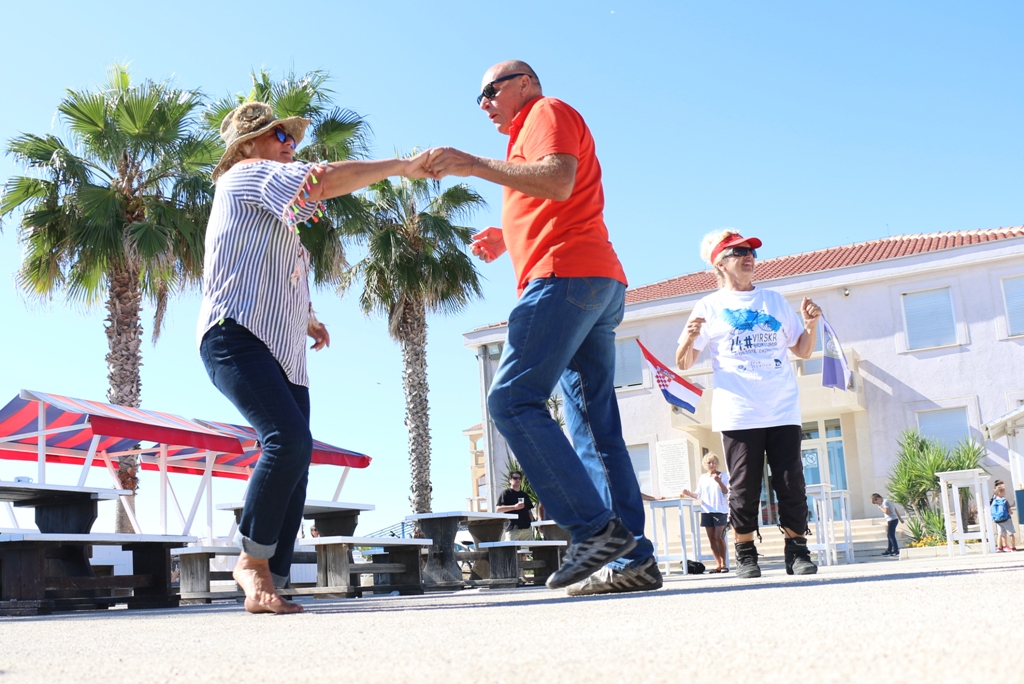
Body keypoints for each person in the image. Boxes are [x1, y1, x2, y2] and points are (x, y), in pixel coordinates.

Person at [426, 60, 660, 596]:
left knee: (510, 400)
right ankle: (634, 561)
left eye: (490, 91)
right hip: (594, 281)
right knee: (595, 430)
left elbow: (557, 178)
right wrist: (505, 235)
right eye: (478, 98)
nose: (484, 104)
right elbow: (557, 198)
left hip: (564, 278)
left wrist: (470, 164)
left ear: (524, 83)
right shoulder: (525, 135)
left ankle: (592, 529)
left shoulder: (545, 111)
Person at [198, 102, 430, 614]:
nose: (289, 143)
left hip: (282, 349)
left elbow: (270, 265)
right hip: (234, 335)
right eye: (278, 134)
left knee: (297, 458)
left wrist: (308, 316)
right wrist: (398, 166)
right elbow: (320, 183)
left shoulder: (276, 216)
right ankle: (252, 563)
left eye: (291, 136)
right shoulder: (242, 176)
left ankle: (271, 579)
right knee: (287, 441)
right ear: (247, 145)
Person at [676, 229, 823, 579]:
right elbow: (683, 362)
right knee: (743, 487)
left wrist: (810, 324)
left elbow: (801, 350)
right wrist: (690, 338)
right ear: (720, 263)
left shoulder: (773, 300)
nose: (750, 257)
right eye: (739, 251)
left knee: (791, 482)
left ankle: (797, 551)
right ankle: (745, 553)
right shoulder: (709, 306)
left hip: (782, 406)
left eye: (752, 251)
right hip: (738, 411)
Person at [681, 454, 730, 572]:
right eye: (709, 463)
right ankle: (718, 564)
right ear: (705, 464)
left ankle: (724, 564)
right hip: (707, 510)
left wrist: (719, 481)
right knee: (712, 538)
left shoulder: (723, 475)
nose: (711, 465)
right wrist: (689, 493)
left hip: (720, 510)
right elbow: (698, 494)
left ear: (717, 463)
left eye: (713, 462)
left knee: (719, 537)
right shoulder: (703, 477)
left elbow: (726, 491)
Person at [495, 471, 535, 541]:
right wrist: (514, 507)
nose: (518, 480)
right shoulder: (506, 493)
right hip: (512, 528)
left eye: (520, 478)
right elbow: (498, 509)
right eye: (515, 478)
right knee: (512, 550)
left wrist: (530, 522)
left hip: (526, 528)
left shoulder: (524, 495)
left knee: (528, 550)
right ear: (510, 480)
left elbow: (529, 510)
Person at [990, 481, 1017, 552]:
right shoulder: (1004, 500)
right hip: (1006, 519)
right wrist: (1011, 512)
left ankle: (999, 547)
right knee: (1011, 533)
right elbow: (1009, 510)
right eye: (1004, 491)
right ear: (1000, 493)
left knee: (1000, 534)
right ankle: (1013, 547)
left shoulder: (994, 501)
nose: (1005, 493)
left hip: (998, 520)